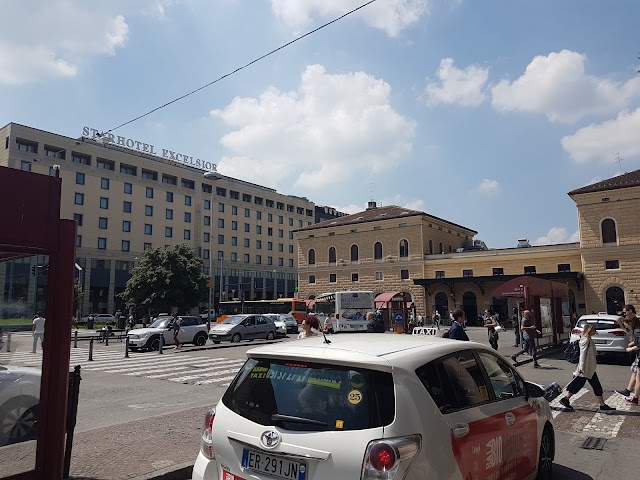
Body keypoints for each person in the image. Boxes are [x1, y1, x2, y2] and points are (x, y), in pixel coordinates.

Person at [559, 323, 616, 412]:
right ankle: (566, 399)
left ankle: (602, 404)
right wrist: (581, 367)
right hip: (585, 368)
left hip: (589, 368)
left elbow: (589, 352)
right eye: (594, 330)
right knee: (580, 384)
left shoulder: (588, 339)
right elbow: (582, 354)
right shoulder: (585, 340)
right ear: (590, 330)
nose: (595, 332)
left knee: (588, 385)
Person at [614, 305, 640, 401]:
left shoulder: (637, 323)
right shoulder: (635, 323)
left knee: (638, 377)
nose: (624, 314)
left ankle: (635, 397)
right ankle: (628, 391)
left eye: (625, 312)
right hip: (638, 354)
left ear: (630, 311)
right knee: (635, 371)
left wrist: (632, 347)